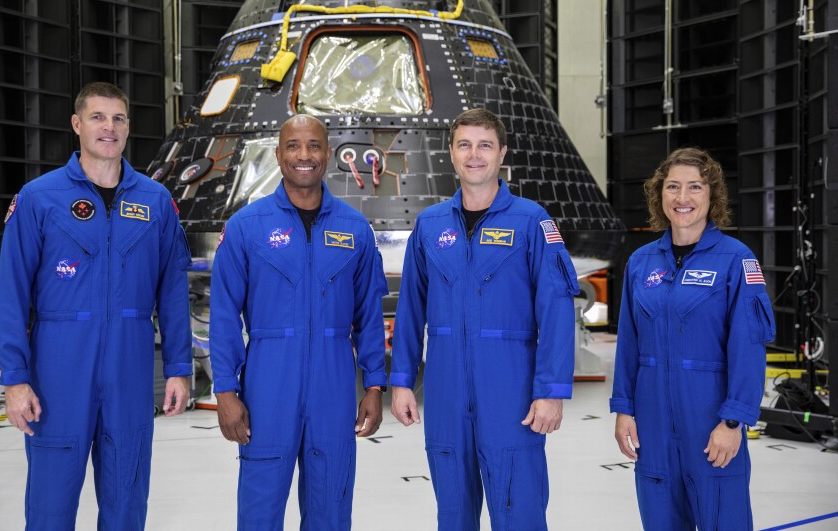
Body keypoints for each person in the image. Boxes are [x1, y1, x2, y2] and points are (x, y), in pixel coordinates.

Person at [0, 82, 193, 530]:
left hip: (130, 370)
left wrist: (179, 367)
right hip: (58, 371)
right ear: (77, 124)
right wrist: (15, 379)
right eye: (98, 117)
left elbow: (173, 294)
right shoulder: (39, 199)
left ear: (128, 128)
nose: (109, 127)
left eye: (119, 118)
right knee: (50, 505)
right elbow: (12, 295)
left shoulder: (156, 202)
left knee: (126, 501)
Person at [390, 108, 580, 530]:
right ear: (452, 155)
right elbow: (410, 309)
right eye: (464, 145)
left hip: (511, 394)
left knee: (520, 512)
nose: (474, 155)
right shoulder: (429, 225)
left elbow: (556, 310)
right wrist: (402, 380)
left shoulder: (532, 221)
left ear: (502, 154)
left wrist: (550, 390)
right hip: (445, 394)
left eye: (484, 145)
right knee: (453, 514)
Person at [209, 114, 389, 530]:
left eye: (313, 146)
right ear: (278, 154)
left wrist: (374, 385)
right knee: (260, 509)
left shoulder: (354, 229)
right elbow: (222, 315)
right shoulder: (245, 228)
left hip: (334, 383)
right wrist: (225, 390)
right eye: (293, 146)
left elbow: (368, 314)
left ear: (328, 154)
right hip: (268, 384)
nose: (303, 156)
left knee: (331, 506)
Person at [610, 147, 776, 530]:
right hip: (652, 423)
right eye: (672, 187)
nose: (682, 198)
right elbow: (629, 344)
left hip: (709, 421)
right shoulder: (641, 262)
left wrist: (733, 422)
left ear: (712, 195)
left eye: (694, 187)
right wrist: (624, 409)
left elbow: (748, 349)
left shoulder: (736, 260)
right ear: (659, 195)